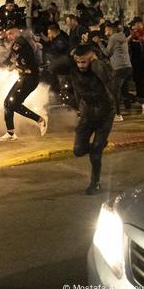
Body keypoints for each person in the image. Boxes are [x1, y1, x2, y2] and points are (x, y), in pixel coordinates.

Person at [52, 44, 117, 195]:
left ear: (91, 59)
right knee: (78, 150)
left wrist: (94, 62)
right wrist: (70, 57)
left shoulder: (100, 65)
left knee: (95, 153)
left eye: (84, 62)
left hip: (105, 113)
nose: (81, 65)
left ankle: (95, 183)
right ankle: (99, 145)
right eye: (78, 61)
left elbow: (108, 77)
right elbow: (53, 67)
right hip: (87, 112)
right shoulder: (73, 67)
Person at [0, 27, 48, 141]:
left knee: (10, 103)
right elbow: (11, 57)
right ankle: (11, 133)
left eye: (10, 34)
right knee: (10, 104)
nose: (8, 36)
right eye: (7, 34)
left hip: (29, 78)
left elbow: (11, 56)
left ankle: (39, 120)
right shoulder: (19, 43)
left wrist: (8, 64)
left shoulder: (19, 42)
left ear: (16, 33)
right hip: (25, 77)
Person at [99, 22, 132, 121]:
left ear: (110, 29)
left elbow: (107, 53)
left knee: (114, 91)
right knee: (121, 91)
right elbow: (115, 47)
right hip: (127, 67)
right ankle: (143, 101)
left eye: (106, 30)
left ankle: (117, 114)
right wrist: (105, 41)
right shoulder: (121, 36)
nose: (105, 32)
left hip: (119, 68)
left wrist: (99, 43)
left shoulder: (113, 38)